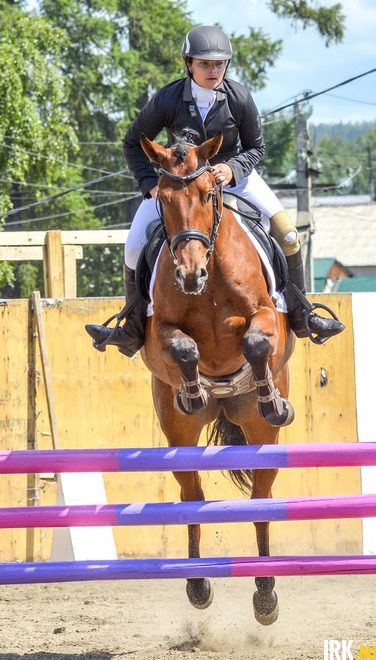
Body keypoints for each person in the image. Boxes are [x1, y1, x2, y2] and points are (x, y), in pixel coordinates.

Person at [86, 25, 344, 357]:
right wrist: (149, 186)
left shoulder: (238, 97)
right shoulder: (168, 98)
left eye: (219, 64)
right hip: (181, 185)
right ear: (189, 63)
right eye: (205, 64)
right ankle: (133, 326)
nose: (213, 71)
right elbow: (132, 142)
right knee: (134, 247)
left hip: (233, 178)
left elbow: (256, 148)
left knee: (290, 235)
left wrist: (232, 168)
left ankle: (302, 312)